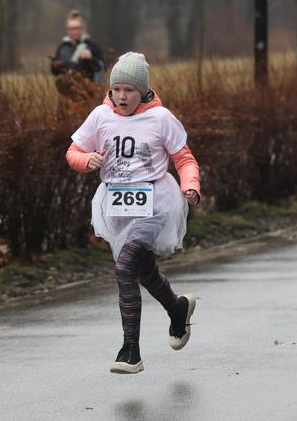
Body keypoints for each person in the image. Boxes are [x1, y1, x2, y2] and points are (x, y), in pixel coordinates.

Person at [65, 52, 201, 374]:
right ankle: (177, 308)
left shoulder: (161, 118)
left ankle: (131, 350)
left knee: (125, 266)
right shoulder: (100, 116)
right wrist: (87, 161)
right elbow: (73, 151)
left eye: (129, 90)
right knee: (144, 272)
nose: (121, 96)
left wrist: (190, 185)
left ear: (142, 91)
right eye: (117, 89)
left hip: (157, 204)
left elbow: (184, 159)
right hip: (119, 206)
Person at [51, 10, 106, 97]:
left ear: (83, 28)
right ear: (67, 30)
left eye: (77, 28)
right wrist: (54, 65)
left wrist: (91, 58)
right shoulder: (62, 47)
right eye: (72, 28)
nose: (75, 31)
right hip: (67, 93)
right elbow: (55, 72)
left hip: (88, 91)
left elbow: (102, 66)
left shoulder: (91, 45)